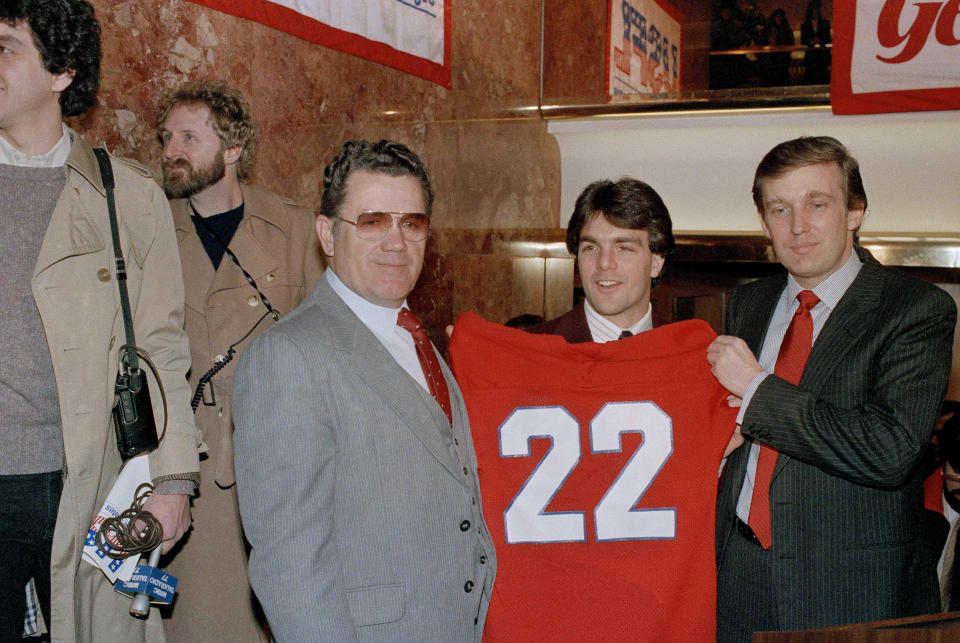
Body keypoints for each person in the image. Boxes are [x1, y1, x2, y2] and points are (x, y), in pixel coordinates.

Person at [232, 139, 496, 641]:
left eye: (412, 223)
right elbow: (291, 565)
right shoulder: (289, 355)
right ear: (328, 235)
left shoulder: (419, 340)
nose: (396, 242)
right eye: (373, 221)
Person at [0, 1, 200, 640]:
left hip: (83, 485)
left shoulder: (127, 195)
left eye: (5, 46)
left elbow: (161, 343)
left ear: (60, 70)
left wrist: (172, 480)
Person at [708, 136, 956, 640]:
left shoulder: (914, 309)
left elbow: (889, 451)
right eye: (780, 209)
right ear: (763, 223)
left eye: (817, 204)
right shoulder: (748, 303)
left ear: (855, 212)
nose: (797, 226)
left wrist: (757, 389)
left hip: (849, 588)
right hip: (738, 574)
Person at [156, 80, 324, 641]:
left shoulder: (295, 230)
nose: (170, 150)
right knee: (206, 620)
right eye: (166, 137)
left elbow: (328, 345)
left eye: (188, 137)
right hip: (190, 461)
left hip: (282, 457)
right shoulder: (148, 230)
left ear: (232, 151)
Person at [529, 177, 674, 342]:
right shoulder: (531, 351)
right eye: (591, 248)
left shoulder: (691, 356)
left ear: (656, 263)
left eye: (624, 249)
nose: (604, 263)